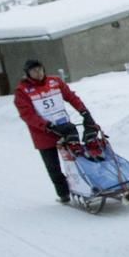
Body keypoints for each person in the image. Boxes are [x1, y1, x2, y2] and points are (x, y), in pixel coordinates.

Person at [13, 58, 99, 203]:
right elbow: (27, 115)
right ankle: (63, 193)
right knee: (53, 168)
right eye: (34, 71)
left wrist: (84, 112)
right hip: (43, 134)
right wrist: (46, 125)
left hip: (65, 128)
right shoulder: (22, 91)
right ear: (28, 73)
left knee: (77, 157)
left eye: (40, 69)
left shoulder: (55, 82)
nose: (38, 73)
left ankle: (87, 185)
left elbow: (71, 97)